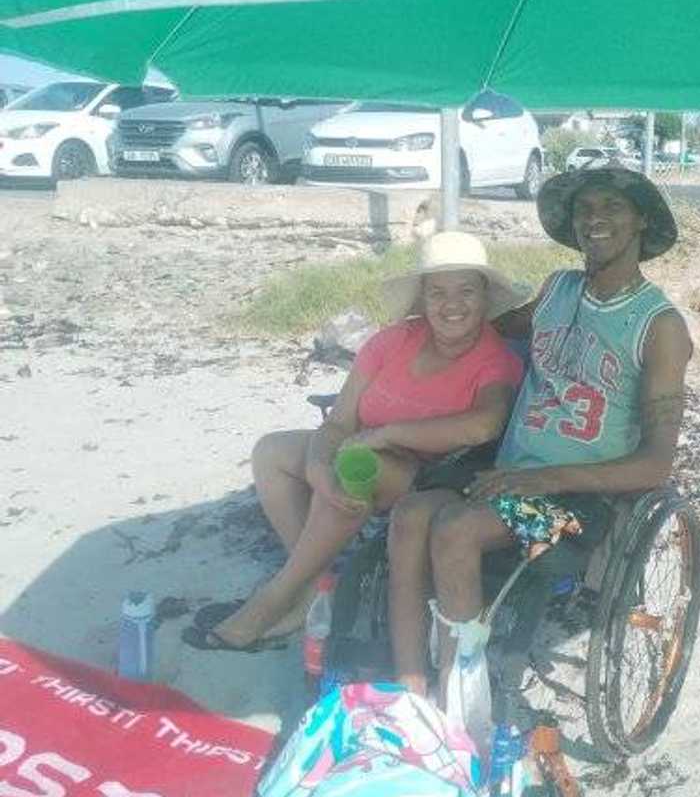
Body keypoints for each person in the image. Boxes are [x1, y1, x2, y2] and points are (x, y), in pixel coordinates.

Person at [387, 166, 691, 698]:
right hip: (510, 475)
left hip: (579, 500)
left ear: (642, 220)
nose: (595, 219)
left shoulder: (658, 325)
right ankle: (410, 686)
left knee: (456, 528)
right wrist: (416, 342)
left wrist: (546, 479)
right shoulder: (557, 290)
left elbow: (657, 464)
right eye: (584, 210)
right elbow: (490, 331)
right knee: (411, 513)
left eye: (612, 207)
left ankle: (461, 694)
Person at [186, 231, 527, 652]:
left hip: (432, 480)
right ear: (421, 299)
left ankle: (273, 598)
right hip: (363, 454)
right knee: (272, 451)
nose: (451, 305)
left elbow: (484, 425)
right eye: (437, 292)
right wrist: (317, 468)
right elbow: (339, 422)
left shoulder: (495, 358)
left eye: (466, 291)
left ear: (485, 296)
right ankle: (313, 583)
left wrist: (385, 434)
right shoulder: (391, 342)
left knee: (351, 469)